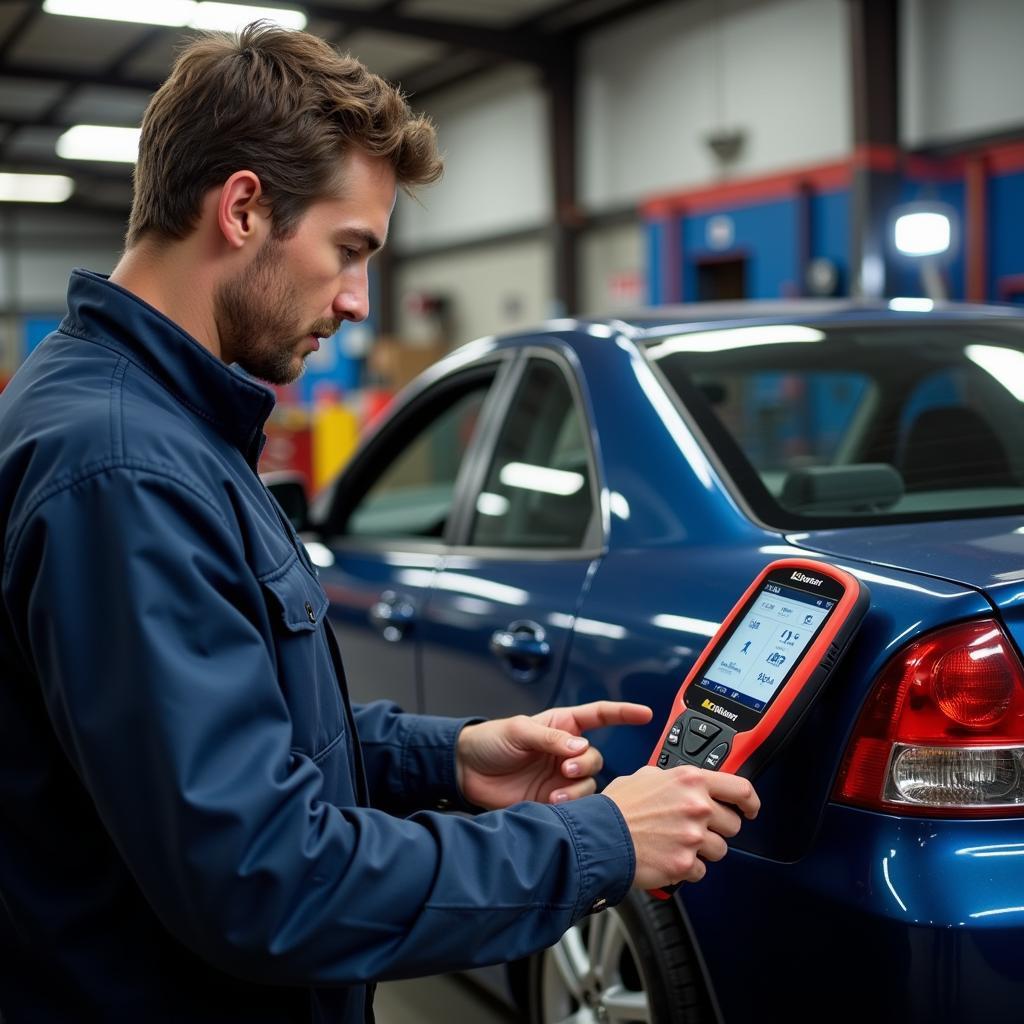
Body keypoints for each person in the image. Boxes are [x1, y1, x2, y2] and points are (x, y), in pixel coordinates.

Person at [0, 23, 759, 1023]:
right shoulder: (124, 469)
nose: (359, 301)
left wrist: (444, 754)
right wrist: (603, 839)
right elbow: (264, 878)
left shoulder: (152, 425)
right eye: (349, 251)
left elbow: (224, 728)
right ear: (241, 209)